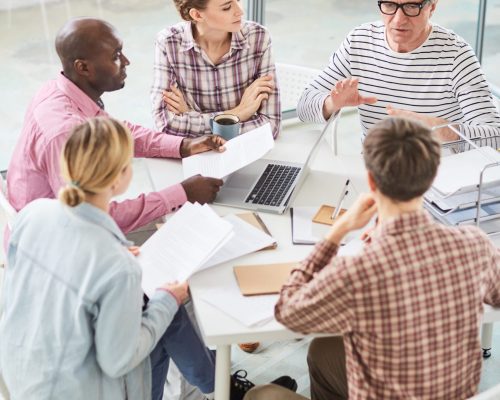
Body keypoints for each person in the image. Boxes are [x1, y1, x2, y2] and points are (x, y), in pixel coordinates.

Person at [0, 117, 297, 400]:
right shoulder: (120, 270)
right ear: (120, 179)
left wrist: (112, 253)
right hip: (81, 389)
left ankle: (217, 383)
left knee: (165, 321)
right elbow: (119, 360)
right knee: (164, 317)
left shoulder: (32, 214)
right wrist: (167, 300)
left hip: (24, 371)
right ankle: (217, 383)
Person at [244, 117, 500, 400]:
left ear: (370, 181)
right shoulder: (475, 244)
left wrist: (336, 233)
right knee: (323, 350)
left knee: (261, 394)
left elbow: (288, 313)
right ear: (433, 174)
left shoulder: (354, 272)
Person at [7, 17, 225, 238]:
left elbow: (118, 132)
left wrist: (183, 146)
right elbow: (92, 219)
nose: (127, 61)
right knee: (190, 235)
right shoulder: (65, 133)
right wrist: (183, 193)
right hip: (56, 239)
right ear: (83, 68)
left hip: (64, 221)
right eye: (115, 56)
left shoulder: (61, 90)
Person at [297, 0, 500, 147]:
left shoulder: (457, 56)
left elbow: (495, 135)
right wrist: (332, 104)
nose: (398, 19)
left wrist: (441, 130)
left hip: (438, 177)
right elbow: (303, 107)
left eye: (412, 6)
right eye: (389, 5)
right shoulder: (359, 41)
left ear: (432, 6)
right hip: (375, 171)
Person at [151, 0, 281, 139]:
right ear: (197, 15)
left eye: (238, 0)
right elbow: (164, 125)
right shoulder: (169, 43)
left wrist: (190, 116)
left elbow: (270, 126)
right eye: (227, 7)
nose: (240, 11)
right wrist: (237, 114)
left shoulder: (258, 37)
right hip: (192, 156)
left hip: (243, 152)